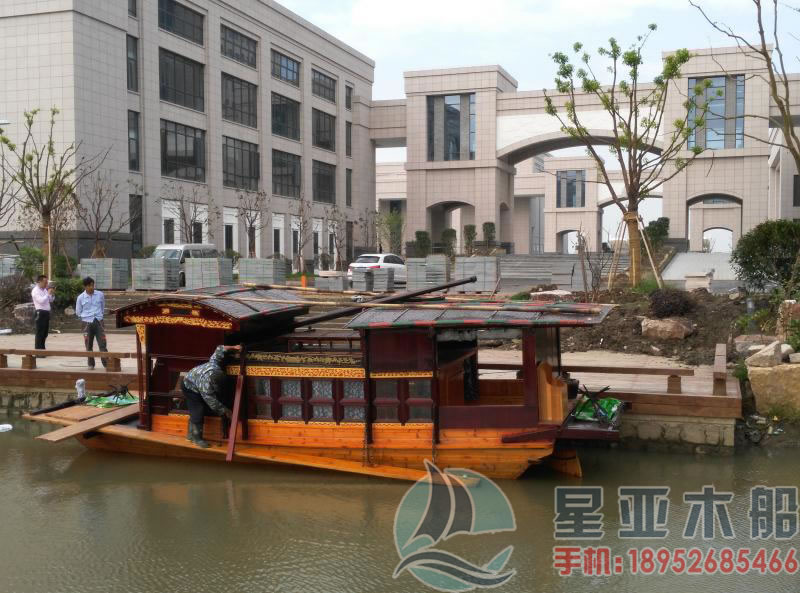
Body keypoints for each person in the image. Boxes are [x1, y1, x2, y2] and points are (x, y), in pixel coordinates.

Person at [181, 344, 240, 448]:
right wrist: (226, 412)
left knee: (197, 409)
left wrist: (234, 347)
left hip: (195, 379)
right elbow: (212, 402)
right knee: (198, 410)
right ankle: (197, 438)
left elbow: (220, 348)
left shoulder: (215, 363)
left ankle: (190, 435)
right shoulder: (206, 385)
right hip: (189, 386)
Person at [75, 276, 108, 369]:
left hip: (99, 321)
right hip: (86, 323)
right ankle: (91, 364)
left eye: (93, 285)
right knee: (88, 344)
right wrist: (86, 316)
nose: (92, 287)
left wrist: (100, 316)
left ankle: (106, 363)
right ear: (85, 286)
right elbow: (78, 312)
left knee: (102, 343)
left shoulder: (100, 294)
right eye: (89, 286)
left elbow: (102, 307)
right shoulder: (80, 297)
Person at [31, 274, 54, 352]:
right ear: (39, 282)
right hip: (40, 313)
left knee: (45, 333)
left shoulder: (44, 290)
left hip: (46, 313)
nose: (46, 284)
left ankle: (42, 349)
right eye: (45, 282)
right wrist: (48, 293)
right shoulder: (35, 291)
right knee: (40, 332)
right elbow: (41, 301)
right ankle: (38, 351)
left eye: (47, 282)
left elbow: (50, 300)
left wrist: (51, 294)